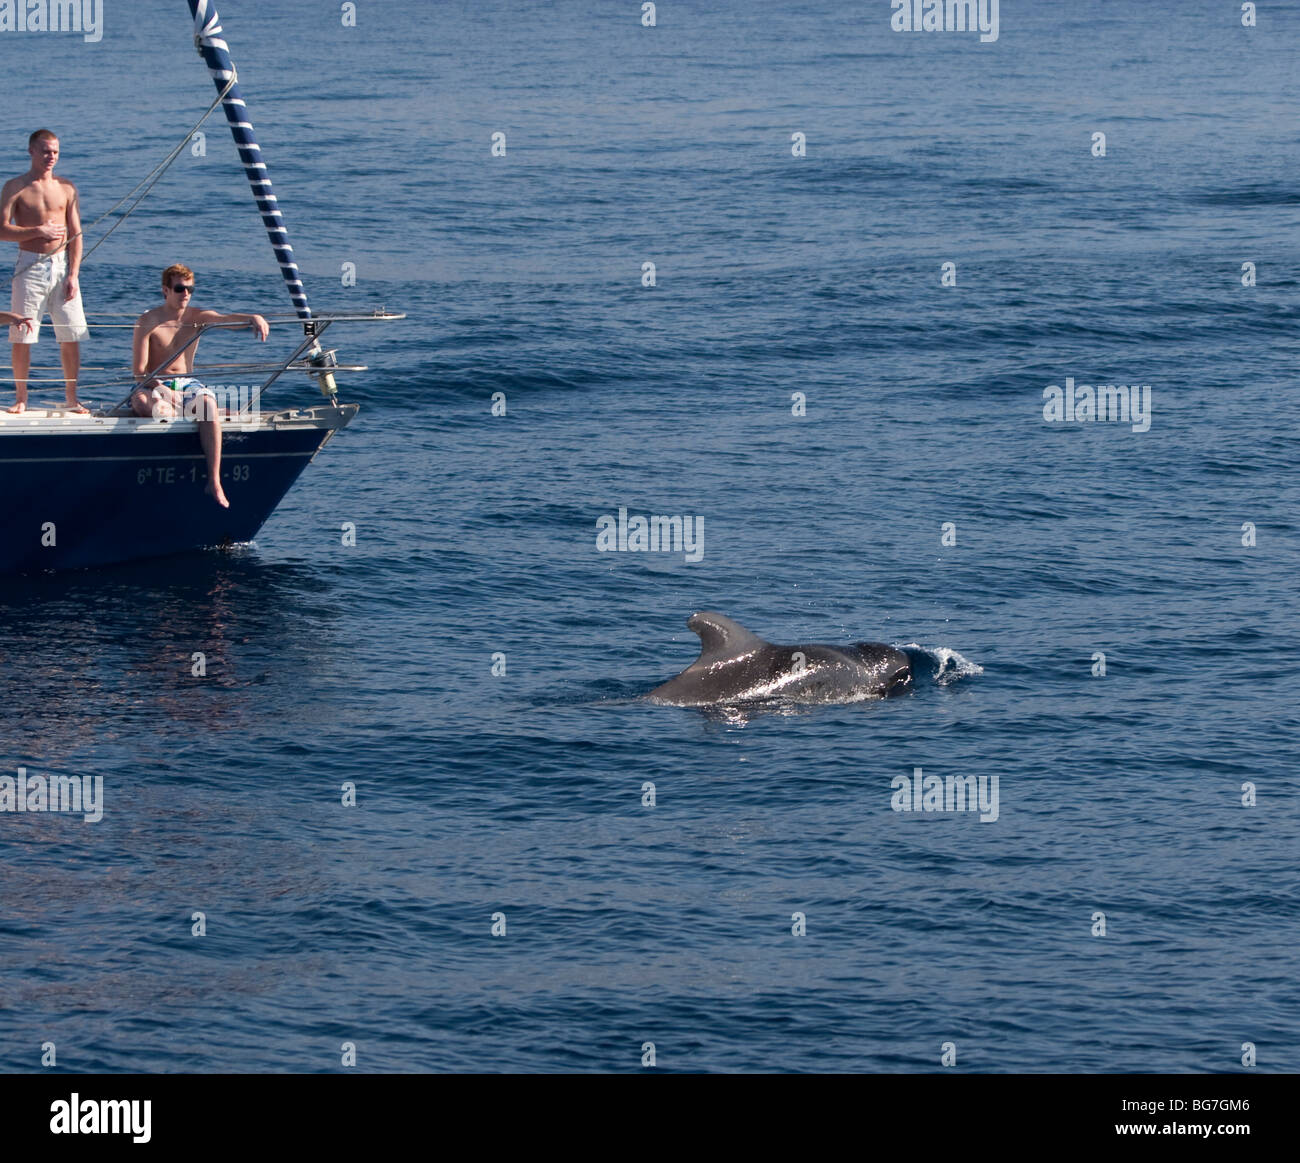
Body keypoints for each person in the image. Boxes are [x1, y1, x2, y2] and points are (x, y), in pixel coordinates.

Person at [129, 264, 268, 509]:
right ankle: (189, 412)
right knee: (142, 403)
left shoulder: (196, 317)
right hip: (154, 383)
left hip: (186, 384)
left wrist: (252, 318)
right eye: (180, 288)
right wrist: (160, 387)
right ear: (165, 290)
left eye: (190, 289)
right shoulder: (148, 320)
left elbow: (225, 320)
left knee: (207, 404)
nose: (186, 294)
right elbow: (139, 372)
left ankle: (214, 481)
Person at [1, 130, 90, 414]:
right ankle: (21, 396)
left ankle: (71, 396)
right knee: (22, 332)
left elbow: (76, 234)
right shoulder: (15, 187)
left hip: (62, 266)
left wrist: (73, 274)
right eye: (45, 151)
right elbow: (2, 230)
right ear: (31, 151)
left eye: (55, 152)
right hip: (30, 264)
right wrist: (36, 231)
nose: (51, 157)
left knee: (70, 333)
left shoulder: (67, 188)